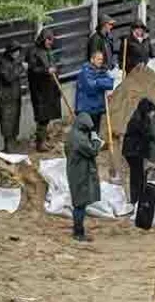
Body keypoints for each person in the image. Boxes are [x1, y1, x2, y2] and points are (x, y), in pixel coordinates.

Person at [65, 112, 103, 242]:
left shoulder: (73, 134)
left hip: (76, 170)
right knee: (80, 204)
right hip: (80, 173)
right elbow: (93, 150)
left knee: (79, 202)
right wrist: (96, 140)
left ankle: (78, 230)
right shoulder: (79, 139)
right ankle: (78, 232)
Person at [26, 28, 62, 151]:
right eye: (48, 40)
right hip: (39, 90)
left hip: (49, 88)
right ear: (43, 38)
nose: (50, 42)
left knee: (47, 116)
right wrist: (46, 71)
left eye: (51, 40)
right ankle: (40, 143)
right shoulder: (33, 51)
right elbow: (32, 70)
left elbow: (53, 64)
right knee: (42, 116)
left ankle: (44, 140)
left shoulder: (48, 51)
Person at [122, 98, 155, 205]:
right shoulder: (139, 121)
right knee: (138, 177)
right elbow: (147, 135)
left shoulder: (137, 118)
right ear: (147, 111)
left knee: (137, 176)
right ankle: (137, 200)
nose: (153, 115)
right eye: (151, 112)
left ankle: (136, 199)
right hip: (134, 152)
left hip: (132, 151)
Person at [75, 49, 116, 133]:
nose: (101, 61)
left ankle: (95, 144)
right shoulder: (85, 72)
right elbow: (91, 86)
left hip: (98, 108)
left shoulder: (102, 71)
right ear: (92, 60)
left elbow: (110, 83)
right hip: (87, 108)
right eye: (98, 59)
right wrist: (101, 81)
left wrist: (98, 81)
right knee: (88, 131)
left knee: (96, 131)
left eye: (101, 59)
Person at [0, 42, 23, 153]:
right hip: (6, 97)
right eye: (15, 51)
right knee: (7, 121)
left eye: (18, 51)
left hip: (15, 95)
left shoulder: (15, 62)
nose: (17, 54)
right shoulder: (2, 63)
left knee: (15, 119)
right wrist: (20, 69)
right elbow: (8, 78)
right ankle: (8, 145)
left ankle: (13, 142)